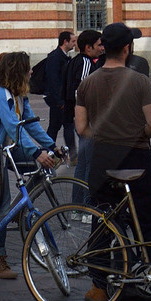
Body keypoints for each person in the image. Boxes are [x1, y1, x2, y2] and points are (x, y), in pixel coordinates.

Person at [75, 22, 151, 301]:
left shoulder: (87, 83)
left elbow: (81, 128)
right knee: (148, 223)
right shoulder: (139, 80)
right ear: (128, 48)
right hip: (138, 158)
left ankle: (99, 287)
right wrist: (133, 135)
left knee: (103, 223)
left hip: (103, 159)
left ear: (103, 47)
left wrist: (106, 137)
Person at [0, 51, 58, 280]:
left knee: (44, 168)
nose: (31, 71)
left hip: (5, 149)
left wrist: (51, 146)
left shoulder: (18, 94)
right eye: (28, 68)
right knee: (1, 205)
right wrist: (37, 152)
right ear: (18, 70)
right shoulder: (0, 94)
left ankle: (17, 211)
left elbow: (29, 124)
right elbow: (13, 128)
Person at [64, 29, 104, 193]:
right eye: (99, 45)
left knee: (82, 163)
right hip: (86, 119)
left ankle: (78, 206)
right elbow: (80, 92)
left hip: (77, 117)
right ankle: (87, 207)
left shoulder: (75, 61)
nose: (102, 48)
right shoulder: (86, 63)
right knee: (90, 163)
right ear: (88, 47)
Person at [35, 30, 73, 144]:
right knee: (63, 125)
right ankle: (68, 152)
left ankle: (49, 150)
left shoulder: (63, 56)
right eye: (73, 41)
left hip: (59, 98)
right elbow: (53, 80)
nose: (75, 44)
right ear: (65, 42)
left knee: (56, 126)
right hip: (57, 98)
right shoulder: (56, 57)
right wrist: (60, 101)